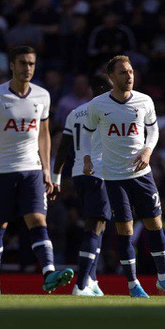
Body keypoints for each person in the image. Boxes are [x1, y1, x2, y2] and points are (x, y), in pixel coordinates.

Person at [0, 45, 74, 300]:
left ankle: (49, 273)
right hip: (1, 170)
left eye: (32, 64)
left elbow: (44, 134)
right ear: (12, 66)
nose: (28, 68)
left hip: (32, 170)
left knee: (37, 220)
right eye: (23, 63)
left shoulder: (42, 96)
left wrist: (47, 169)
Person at [81, 55, 165, 298]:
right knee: (124, 230)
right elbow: (87, 132)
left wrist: (148, 150)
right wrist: (86, 157)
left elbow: (154, 129)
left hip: (142, 175)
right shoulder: (98, 105)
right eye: (123, 73)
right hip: (114, 177)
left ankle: (163, 279)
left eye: (131, 72)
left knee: (155, 224)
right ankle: (133, 284)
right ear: (112, 77)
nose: (129, 76)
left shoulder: (144, 101)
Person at [50, 73, 113, 296]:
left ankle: (92, 278)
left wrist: (56, 179)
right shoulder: (107, 111)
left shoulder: (75, 113)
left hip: (79, 174)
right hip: (98, 174)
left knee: (98, 225)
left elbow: (63, 149)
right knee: (94, 227)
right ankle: (82, 283)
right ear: (104, 89)